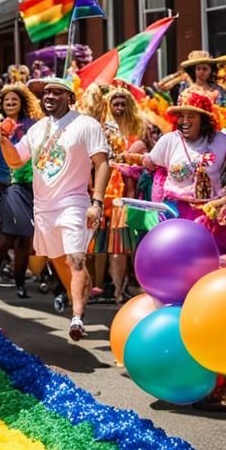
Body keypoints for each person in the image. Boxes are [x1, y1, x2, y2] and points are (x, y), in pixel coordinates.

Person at [0, 77, 111, 341]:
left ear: (70, 98)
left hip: (74, 203)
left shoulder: (86, 125)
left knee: (74, 257)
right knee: (59, 259)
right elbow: (16, 161)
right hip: (43, 209)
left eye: (56, 92)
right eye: (45, 92)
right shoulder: (37, 129)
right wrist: (3, 139)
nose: (48, 96)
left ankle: (77, 318)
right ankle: (80, 294)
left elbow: (102, 163)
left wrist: (96, 202)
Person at [0, 83, 41, 298]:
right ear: (2, 105)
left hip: (29, 185)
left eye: (15, 99)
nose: (11, 103)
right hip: (5, 185)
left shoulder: (32, 125)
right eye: (7, 100)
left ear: (22, 102)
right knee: (6, 236)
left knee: (24, 238)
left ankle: (20, 282)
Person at [143, 89, 226, 248]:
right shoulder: (169, 141)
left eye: (191, 116)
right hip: (175, 214)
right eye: (181, 116)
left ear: (203, 119)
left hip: (209, 214)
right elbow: (151, 165)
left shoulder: (221, 141)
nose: (184, 121)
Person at [95, 86, 149, 303]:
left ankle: (132, 284)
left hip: (133, 190)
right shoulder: (103, 129)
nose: (118, 107)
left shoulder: (139, 128)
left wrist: (135, 155)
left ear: (129, 105)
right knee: (114, 244)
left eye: (122, 103)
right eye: (114, 104)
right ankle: (117, 290)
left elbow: (149, 157)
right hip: (109, 189)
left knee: (134, 243)